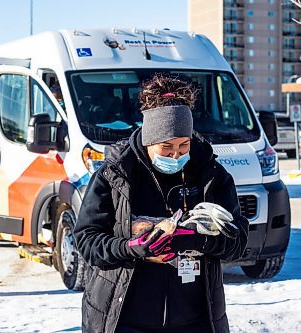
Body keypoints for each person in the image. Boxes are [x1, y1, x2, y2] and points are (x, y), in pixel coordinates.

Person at [74, 74, 249, 333]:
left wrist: (195, 240)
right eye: (166, 148)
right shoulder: (115, 174)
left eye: (184, 145)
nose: (176, 155)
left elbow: (238, 242)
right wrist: (131, 247)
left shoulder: (211, 176)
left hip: (195, 319)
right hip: (125, 318)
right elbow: (87, 242)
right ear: (148, 141)